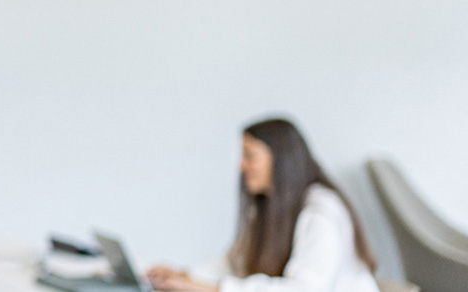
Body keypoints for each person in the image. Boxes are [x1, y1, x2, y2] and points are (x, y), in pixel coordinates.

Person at [147, 118, 380, 292]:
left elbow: (304, 289)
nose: (241, 165)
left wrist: (211, 288)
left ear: (280, 160)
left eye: (249, 156)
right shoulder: (270, 209)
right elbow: (234, 261)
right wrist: (184, 275)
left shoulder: (322, 211)